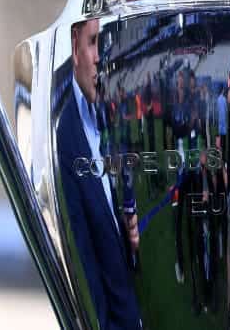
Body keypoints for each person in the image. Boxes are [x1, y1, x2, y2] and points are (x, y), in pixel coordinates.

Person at [57, 18, 142, 330]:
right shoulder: (65, 137)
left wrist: (129, 227)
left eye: (102, 44)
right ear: (74, 46)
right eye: (92, 42)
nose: (98, 57)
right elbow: (83, 264)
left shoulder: (105, 111)